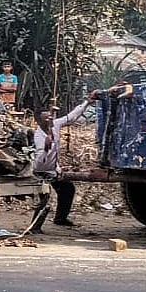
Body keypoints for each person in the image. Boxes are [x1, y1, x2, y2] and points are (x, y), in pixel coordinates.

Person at [30, 92, 98, 232]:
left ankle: (60, 218)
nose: (49, 120)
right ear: (38, 121)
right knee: (45, 199)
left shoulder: (54, 124)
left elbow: (71, 117)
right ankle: (35, 227)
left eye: (50, 117)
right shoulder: (39, 138)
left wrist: (87, 102)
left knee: (67, 189)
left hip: (53, 169)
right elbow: (39, 163)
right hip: (41, 172)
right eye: (45, 119)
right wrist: (46, 149)